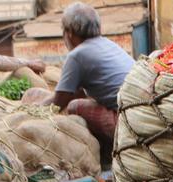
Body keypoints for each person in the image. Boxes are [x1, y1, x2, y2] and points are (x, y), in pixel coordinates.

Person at [48, 2, 135, 147]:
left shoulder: (77, 55)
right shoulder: (107, 44)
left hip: (125, 123)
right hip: (136, 112)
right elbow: (77, 92)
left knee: (74, 107)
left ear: (69, 33)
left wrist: (32, 109)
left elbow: (57, 104)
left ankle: (101, 152)